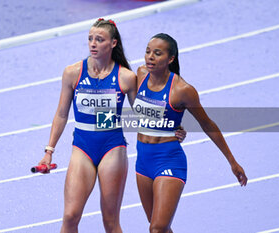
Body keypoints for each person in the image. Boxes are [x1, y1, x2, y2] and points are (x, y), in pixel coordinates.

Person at [37, 19, 186, 232]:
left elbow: (143, 115)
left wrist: (174, 128)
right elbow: (61, 114)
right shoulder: (73, 72)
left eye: (99, 39)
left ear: (113, 43)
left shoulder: (126, 77)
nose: (93, 44)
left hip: (112, 148)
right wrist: (49, 151)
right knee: (70, 217)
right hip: (82, 147)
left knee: (110, 221)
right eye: (90, 39)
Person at [133, 33, 248, 233]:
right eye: (148, 51)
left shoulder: (182, 90)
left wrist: (232, 160)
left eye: (157, 53)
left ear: (170, 59)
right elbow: (140, 109)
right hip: (142, 160)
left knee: (157, 228)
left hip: (168, 160)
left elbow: (207, 123)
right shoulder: (141, 74)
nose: (150, 57)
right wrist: (170, 123)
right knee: (161, 229)